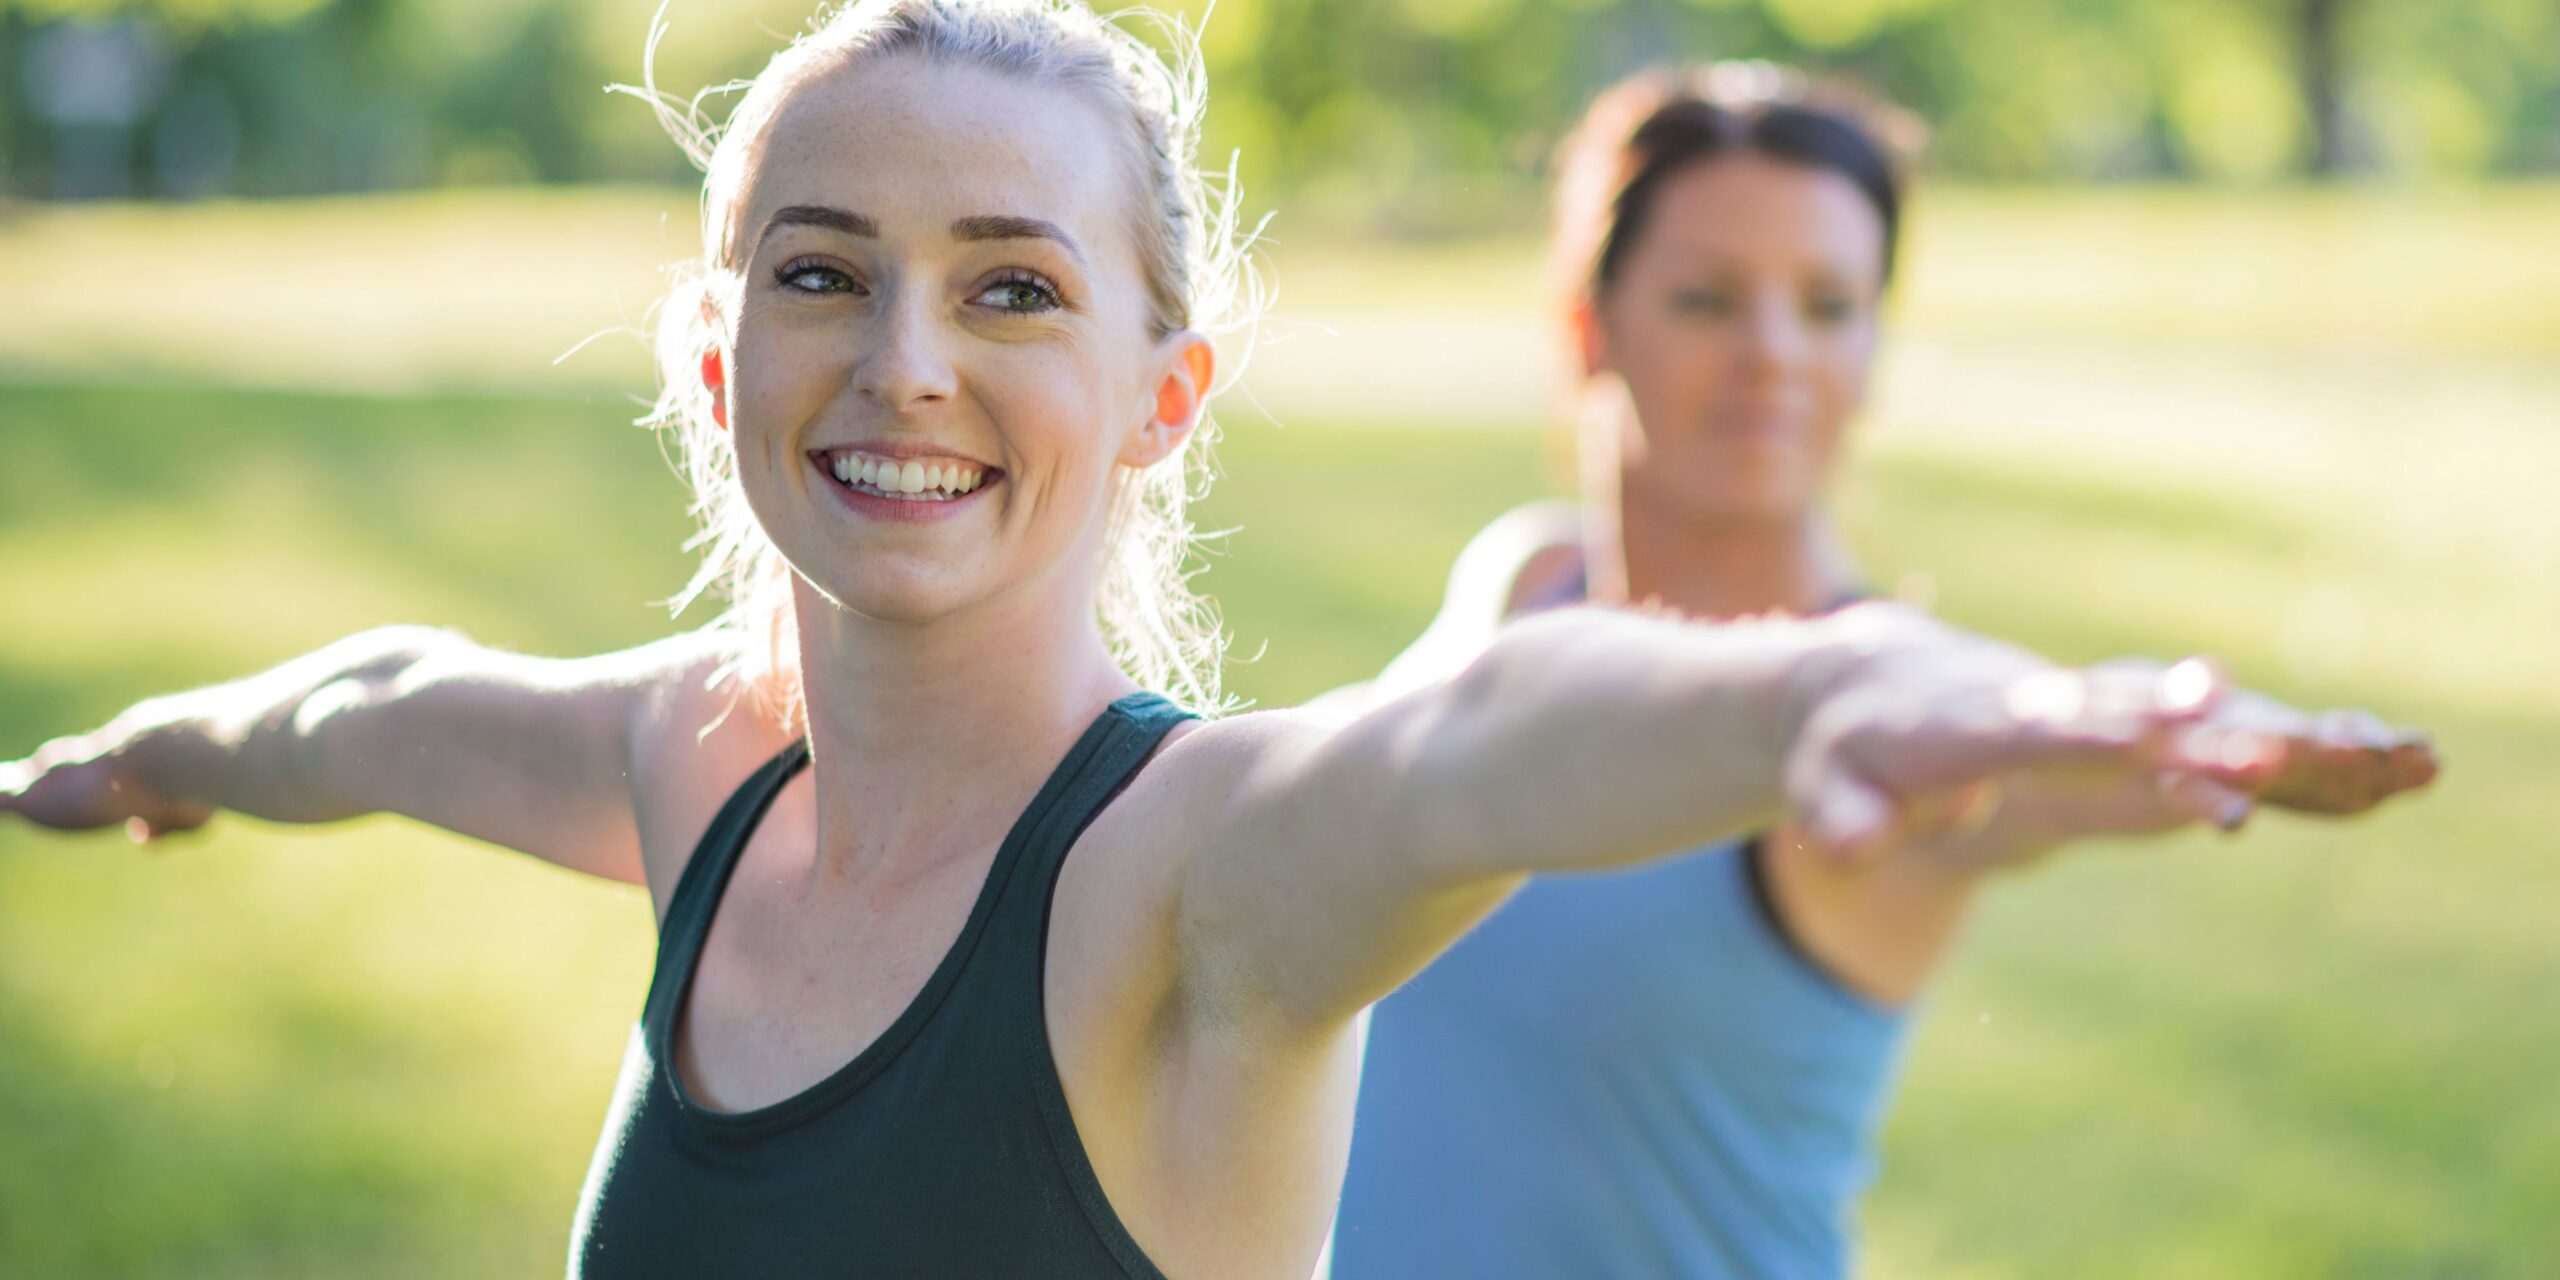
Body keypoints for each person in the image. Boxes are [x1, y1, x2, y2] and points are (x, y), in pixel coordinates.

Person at [0, 7, 2432, 1278]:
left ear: (1163, 391)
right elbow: (382, 710)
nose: (903, 361)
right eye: (821, 269)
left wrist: (1856, 684)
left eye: (1012, 289)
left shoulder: (1206, 876)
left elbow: (1489, 741)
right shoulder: (694, 769)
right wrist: (156, 748)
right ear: (708, 345)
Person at [1327, 64, 2435, 1278]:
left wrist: (2196, 732)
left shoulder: (1899, 719)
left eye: (1827, 305)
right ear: (1588, 327)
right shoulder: (1521, 579)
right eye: (1706, 298)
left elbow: (2023, 726)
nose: (1771, 352)